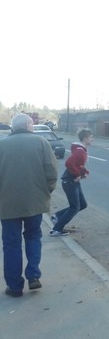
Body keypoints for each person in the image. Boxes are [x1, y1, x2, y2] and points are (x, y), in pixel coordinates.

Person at [0, 113, 57, 297]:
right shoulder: (41, 143)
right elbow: (51, 172)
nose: (34, 126)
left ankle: (15, 287)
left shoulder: (1, 145)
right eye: (32, 124)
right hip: (34, 202)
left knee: (11, 244)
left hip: (7, 204)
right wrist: (45, 192)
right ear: (27, 125)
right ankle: (33, 276)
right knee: (33, 237)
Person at [50, 128, 93, 236]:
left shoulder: (81, 150)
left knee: (82, 204)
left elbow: (79, 165)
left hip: (72, 182)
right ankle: (57, 229)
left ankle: (57, 216)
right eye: (91, 137)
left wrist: (84, 172)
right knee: (75, 207)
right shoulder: (80, 151)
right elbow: (69, 163)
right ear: (85, 138)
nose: (92, 139)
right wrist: (78, 174)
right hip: (70, 182)